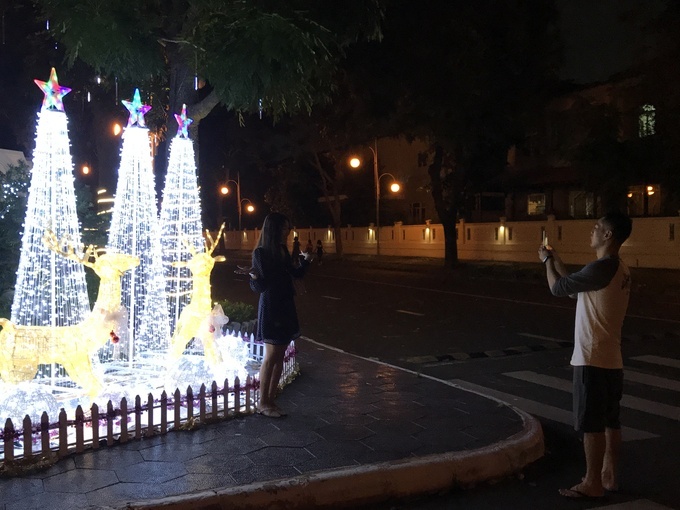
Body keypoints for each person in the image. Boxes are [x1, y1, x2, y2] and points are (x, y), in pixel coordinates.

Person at [538, 211, 632, 500]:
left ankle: (592, 482)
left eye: (597, 227)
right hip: (611, 357)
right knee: (611, 421)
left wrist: (545, 262)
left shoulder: (602, 267)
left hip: (592, 357)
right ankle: (609, 476)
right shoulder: (620, 268)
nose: (592, 230)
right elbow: (572, 289)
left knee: (591, 424)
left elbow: (557, 288)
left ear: (608, 235)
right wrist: (556, 259)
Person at [243, 213, 311, 418]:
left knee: (280, 356)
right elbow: (261, 287)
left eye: (287, 228)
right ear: (273, 230)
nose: (287, 232)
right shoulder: (261, 253)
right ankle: (262, 403)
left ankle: (271, 401)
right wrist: (254, 275)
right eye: (283, 228)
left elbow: (295, 274)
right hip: (271, 306)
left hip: (285, 304)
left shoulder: (282, 250)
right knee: (271, 356)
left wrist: (306, 260)